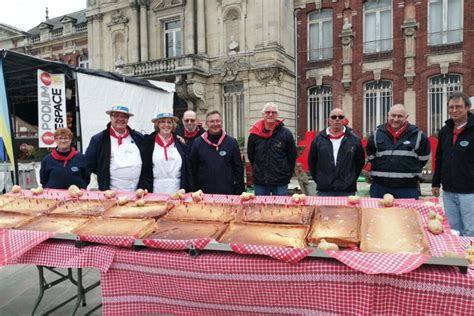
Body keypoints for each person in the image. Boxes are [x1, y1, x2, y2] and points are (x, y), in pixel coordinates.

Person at [366, 104, 430, 199]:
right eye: (393, 115)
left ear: (406, 117)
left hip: (407, 188)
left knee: (407, 214)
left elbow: (423, 159)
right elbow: (370, 155)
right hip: (380, 187)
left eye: (400, 116)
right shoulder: (376, 135)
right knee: (378, 214)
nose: (396, 119)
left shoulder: (418, 135)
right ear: (388, 116)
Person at [432, 92, 474, 236]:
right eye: (451, 107)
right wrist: (436, 182)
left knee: (470, 230)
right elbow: (439, 158)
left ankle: (470, 258)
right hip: (449, 191)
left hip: (470, 192)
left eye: (458, 107)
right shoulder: (445, 131)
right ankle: (457, 258)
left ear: (467, 107)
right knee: (453, 229)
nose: (454, 110)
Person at [308, 107, 364, 196]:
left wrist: (350, 179)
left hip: (347, 190)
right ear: (329, 120)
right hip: (324, 190)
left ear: (344, 120)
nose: (337, 119)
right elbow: (312, 162)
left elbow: (359, 162)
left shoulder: (354, 140)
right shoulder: (318, 140)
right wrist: (321, 180)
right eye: (333, 117)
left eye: (340, 117)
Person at [85, 106, 143, 191]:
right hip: (111, 192)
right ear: (110, 117)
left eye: (123, 116)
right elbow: (89, 163)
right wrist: (104, 172)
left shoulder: (138, 137)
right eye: (116, 116)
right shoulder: (99, 139)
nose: (120, 119)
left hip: (136, 192)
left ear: (128, 119)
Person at [247, 102, 297, 196]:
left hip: (280, 181)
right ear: (263, 114)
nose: (270, 114)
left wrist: (286, 175)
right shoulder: (254, 135)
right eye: (267, 112)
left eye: (273, 112)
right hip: (260, 181)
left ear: (277, 115)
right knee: (261, 209)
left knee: (280, 209)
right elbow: (251, 156)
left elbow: (292, 157)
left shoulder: (286, 134)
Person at [190, 110, 245, 195]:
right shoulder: (197, 143)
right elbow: (193, 170)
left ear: (221, 122)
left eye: (218, 121)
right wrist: (194, 191)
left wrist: (239, 192)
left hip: (227, 193)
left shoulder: (231, 142)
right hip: (204, 194)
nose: (215, 124)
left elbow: (238, 169)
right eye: (212, 121)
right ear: (206, 124)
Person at [139, 113, 192, 194]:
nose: (166, 125)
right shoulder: (148, 143)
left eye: (169, 122)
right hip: (155, 189)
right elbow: (143, 168)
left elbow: (187, 169)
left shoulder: (180, 144)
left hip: (177, 190)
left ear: (173, 125)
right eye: (162, 122)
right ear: (158, 125)